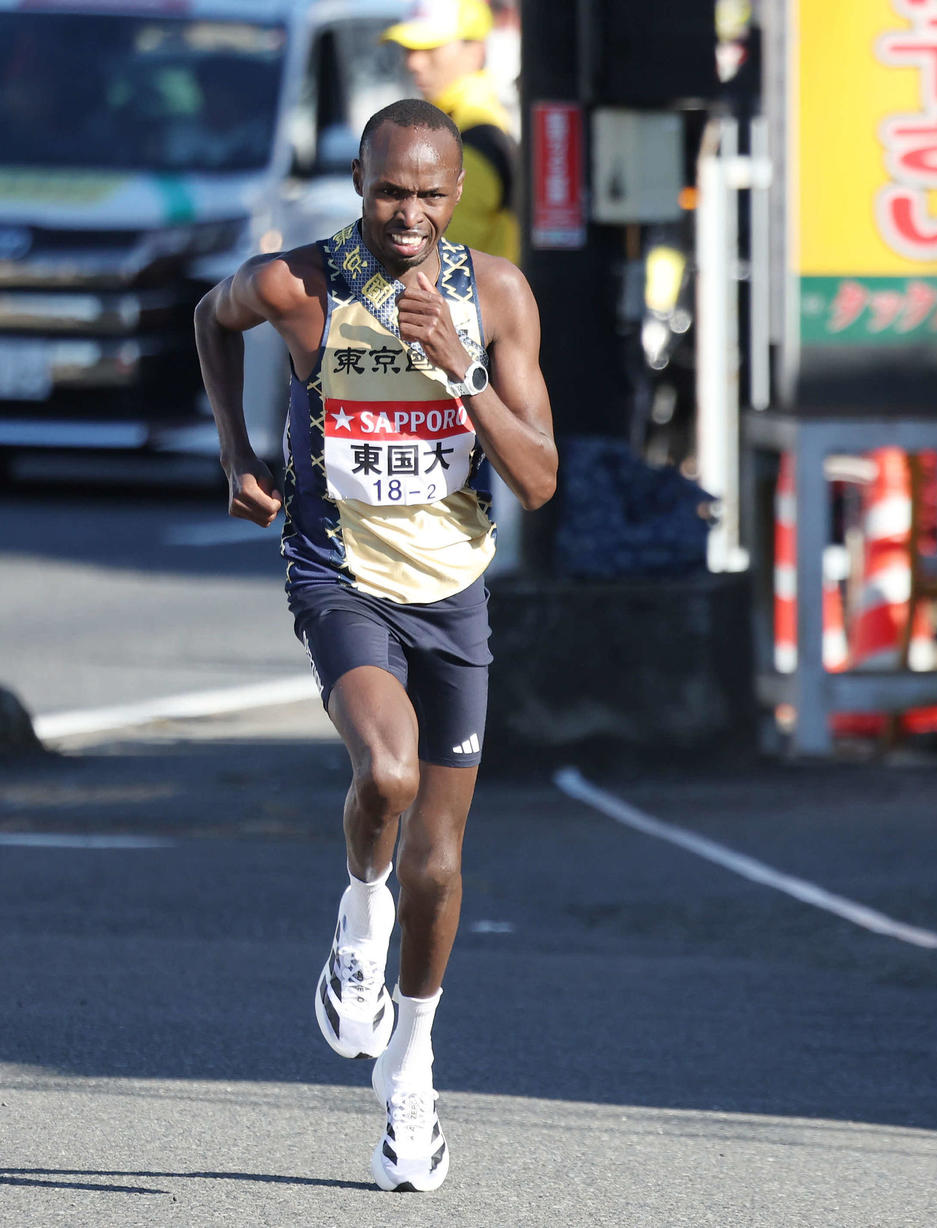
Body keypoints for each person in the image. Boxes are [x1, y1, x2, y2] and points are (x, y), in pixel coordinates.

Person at [193, 98, 556, 1192]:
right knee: (385, 772)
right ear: (358, 180)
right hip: (339, 574)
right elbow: (211, 320)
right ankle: (358, 914)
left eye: (429, 194)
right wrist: (236, 451)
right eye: (388, 190)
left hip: (454, 592)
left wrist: (462, 370)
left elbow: (538, 477)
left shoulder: (491, 295)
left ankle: (410, 1074)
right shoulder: (294, 285)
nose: (408, 214)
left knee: (442, 868)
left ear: (456, 195)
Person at [382, 0, 520, 264]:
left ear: (475, 51)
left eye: (430, 47)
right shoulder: (456, 129)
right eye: (408, 49)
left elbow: (434, 264)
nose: (414, 62)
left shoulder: (471, 139)